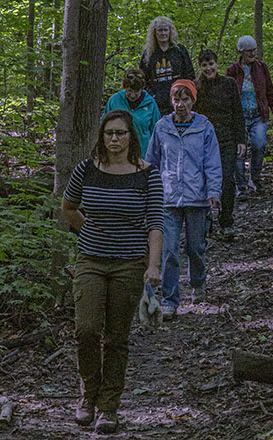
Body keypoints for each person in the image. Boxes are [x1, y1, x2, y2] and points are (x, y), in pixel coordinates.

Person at [62, 109, 164, 434]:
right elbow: (68, 206)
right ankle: (87, 396)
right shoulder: (86, 169)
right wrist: (87, 229)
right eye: (109, 133)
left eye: (121, 133)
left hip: (129, 263)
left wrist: (153, 265)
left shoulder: (148, 174)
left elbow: (156, 223)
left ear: (131, 136)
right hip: (90, 260)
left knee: (117, 339)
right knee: (87, 331)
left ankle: (108, 407)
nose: (115, 139)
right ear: (101, 137)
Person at [145, 79, 221, 319]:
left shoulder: (204, 127)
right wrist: (149, 192)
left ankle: (198, 282)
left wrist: (214, 191)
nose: (180, 104)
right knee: (169, 252)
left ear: (193, 100)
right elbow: (152, 162)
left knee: (195, 247)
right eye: (177, 99)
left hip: (197, 198)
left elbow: (212, 162)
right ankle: (170, 300)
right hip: (167, 199)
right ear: (171, 101)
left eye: (185, 99)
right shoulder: (161, 127)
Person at [195, 49, 245, 240]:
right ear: (200, 67)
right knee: (203, 180)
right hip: (203, 142)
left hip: (227, 140)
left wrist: (241, 139)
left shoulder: (229, 84)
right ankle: (206, 220)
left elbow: (237, 112)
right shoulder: (197, 86)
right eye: (204, 65)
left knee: (227, 179)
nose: (208, 68)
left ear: (217, 64)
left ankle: (226, 221)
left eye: (211, 64)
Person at [227, 36, 273, 197]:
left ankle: (255, 178)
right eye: (249, 51)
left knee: (259, 145)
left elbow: (270, 92)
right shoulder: (232, 70)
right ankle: (241, 186)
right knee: (239, 151)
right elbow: (227, 93)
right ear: (241, 52)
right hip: (239, 117)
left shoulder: (261, 68)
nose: (252, 53)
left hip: (258, 115)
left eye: (254, 50)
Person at [139, 16, 194, 115]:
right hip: (156, 103)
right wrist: (152, 95)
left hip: (179, 101)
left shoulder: (179, 50)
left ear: (170, 31)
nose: (163, 33)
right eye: (160, 30)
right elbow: (143, 78)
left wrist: (184, 94)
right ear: (154, 33)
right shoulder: (149, 53)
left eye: (165, 30)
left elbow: (189, 74)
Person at [103, 67, 160, 157]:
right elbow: (104, 125)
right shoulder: (114, 100)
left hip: (143, 154)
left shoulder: (150, 103)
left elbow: (156, 130)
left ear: (142, 88)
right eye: (129, 91)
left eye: (136, 91)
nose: (133, 95)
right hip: (117, 154)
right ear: (124, 87)